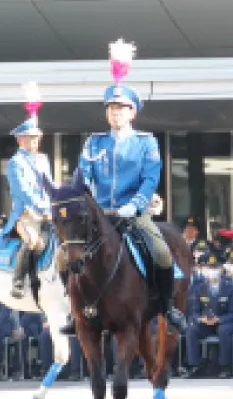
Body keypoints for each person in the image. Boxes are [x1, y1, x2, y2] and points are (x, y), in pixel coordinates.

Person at [68, 39, 186, 334]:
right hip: (99, 214)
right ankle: (75, 311)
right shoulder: (94, 141)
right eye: (111, 108)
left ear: (133, 112)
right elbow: (82, 176)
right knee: (64, 253)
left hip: (132, 212)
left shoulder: (146, 142)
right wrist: (86, 200)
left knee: (161, 251)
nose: (115, 113)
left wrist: (134, 204)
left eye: (121, 108)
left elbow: (150, 178)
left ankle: (168, 307)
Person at [2, 83, 54, 299]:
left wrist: (57, 201)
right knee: (33, 241)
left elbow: (50, 185)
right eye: (29, 138)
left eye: (36, 138)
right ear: (19, 140)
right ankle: (19, 281)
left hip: (47, 210)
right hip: (26, 213)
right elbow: (22, 190)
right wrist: (41, 208)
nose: (34, 142)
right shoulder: (15, 162)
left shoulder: (43, 159)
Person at [183, 253, 233, 379]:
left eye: (215, 268)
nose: (212, 272)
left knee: (224, 330)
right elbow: (194, 311)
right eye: (210, 269)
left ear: (221, 270)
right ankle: (194, 366)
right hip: (206, 323)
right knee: (191, 331)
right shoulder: (199, 289)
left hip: (225, 323)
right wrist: (200, 318)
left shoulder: (231, 289)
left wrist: (219, 319)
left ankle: (224, 366)